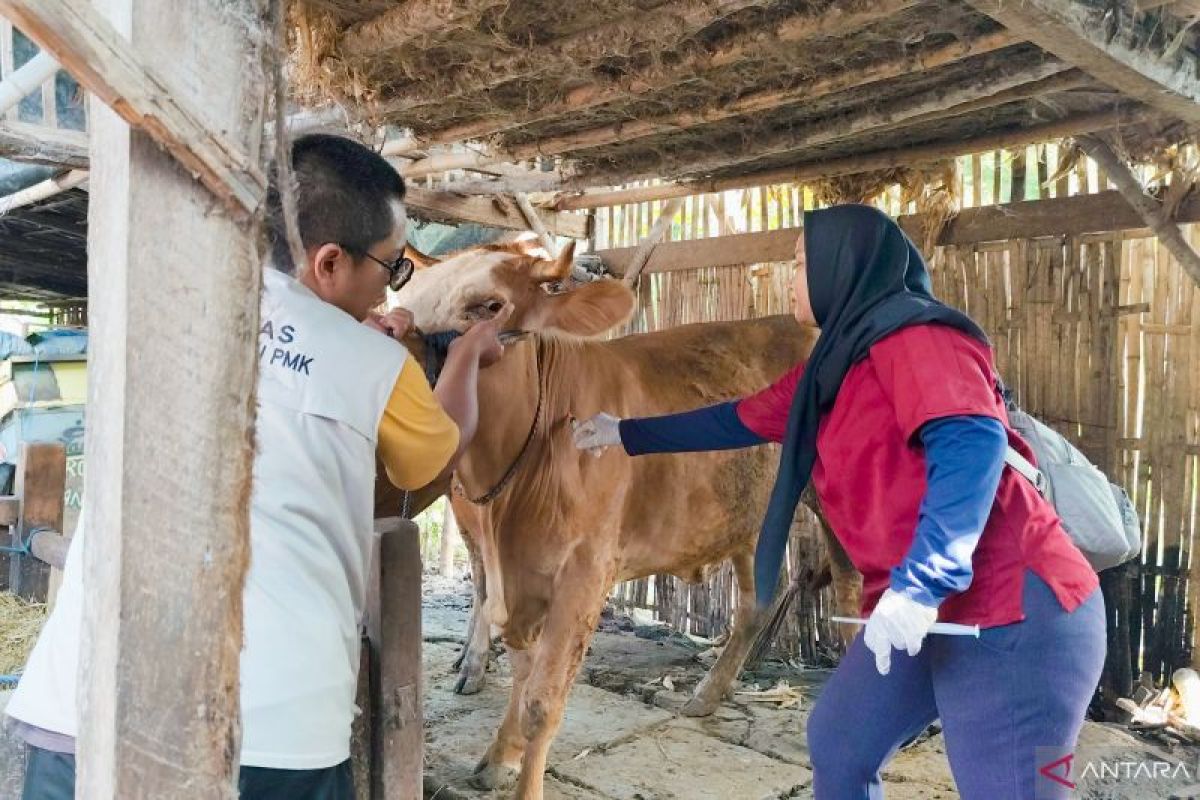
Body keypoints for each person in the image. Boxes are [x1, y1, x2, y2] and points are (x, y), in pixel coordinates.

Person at [5, 133, 510, 799]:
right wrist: (471, 351)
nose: (392, 292)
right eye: (392, 269)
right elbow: (438, 453)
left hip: (84, 705)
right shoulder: (375, 364)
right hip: (274, 734)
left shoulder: (161, 309)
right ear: (330, 262)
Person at [572, 204, 1105, 799]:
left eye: (801, 262)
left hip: (1014, 608)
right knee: (840, 740)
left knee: (1004, 788)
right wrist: (626, 433)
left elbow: (971, 440)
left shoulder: (919, 336)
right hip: (920, 609)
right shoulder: (831, 371)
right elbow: (737, 419)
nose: (790, 277)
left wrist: (923, 583)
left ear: (842, 266)